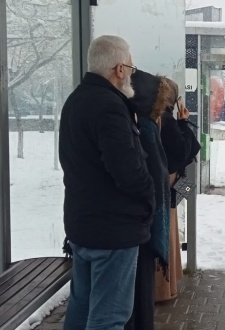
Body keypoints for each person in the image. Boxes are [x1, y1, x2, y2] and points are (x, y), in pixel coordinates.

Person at [59, 35, 154, 330]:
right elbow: (127, 169)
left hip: (83, 224)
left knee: (83, 306)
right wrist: (149, 195)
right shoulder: (110, 106)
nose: (131, 74)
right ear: (119, 69)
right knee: (109, 317)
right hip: (112, 229)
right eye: (131, 67)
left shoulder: (76, 100)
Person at [125, 69, 175, 330]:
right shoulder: (143, 128)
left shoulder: (139, 124)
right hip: (141, 225)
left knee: (135, 294)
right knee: (137, 294)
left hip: (138, 224)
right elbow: (152, 178)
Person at [155, 78, 201, 303]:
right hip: (168, 185)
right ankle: (164, 287)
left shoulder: (152, 118)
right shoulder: (166, 121)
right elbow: (188, 149)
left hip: (160, 185)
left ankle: (164, 285)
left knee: (166, 231)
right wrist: (184, 123)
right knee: (168, 232)